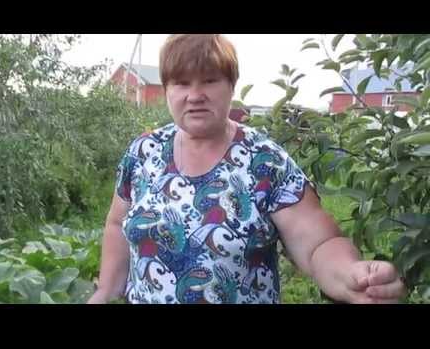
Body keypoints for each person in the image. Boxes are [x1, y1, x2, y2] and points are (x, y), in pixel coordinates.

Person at [88, 34, 406, 304]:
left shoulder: (265, 162)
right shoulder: (143, 153)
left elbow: (318, 244)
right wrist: (104, 291)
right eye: (182, 82)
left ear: (231, 85)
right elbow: (118, 224)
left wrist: (352, 274)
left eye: (210, 81)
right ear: (168, 88)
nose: (195, 95)